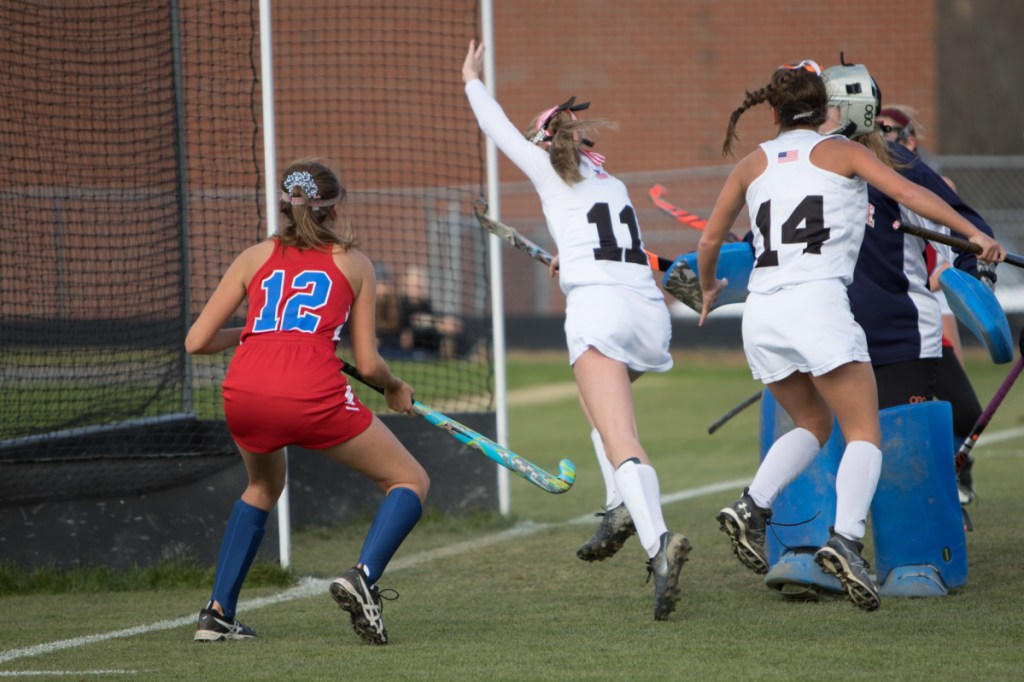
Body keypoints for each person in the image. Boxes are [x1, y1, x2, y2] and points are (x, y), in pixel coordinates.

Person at [696, 59, 1003, 611]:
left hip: (762, 316)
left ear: (774, 110)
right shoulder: (843, 151)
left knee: (813, 422)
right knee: (862, 431)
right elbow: (912, 196)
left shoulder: (752, 163)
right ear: (829, 111)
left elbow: (710, 241)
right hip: (820, 309)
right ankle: (844, 540)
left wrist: (708, 289)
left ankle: (752, 504)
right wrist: (973, 235)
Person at [461, 40, 690, 621]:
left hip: (598, 311)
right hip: (649, 312)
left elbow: (496, 127)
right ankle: (617, 505)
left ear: (546, 143)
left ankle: (657, 543)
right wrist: (570, 255)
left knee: (621, 437)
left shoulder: (544, 166)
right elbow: (608, 245)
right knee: (601, 411)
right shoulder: (613, 186)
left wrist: (471, 81)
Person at [185, 158, 430, 645]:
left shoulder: (254, 257)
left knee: (261, 486)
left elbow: (196, 341)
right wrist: (394, 388)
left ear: (285, 206)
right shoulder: (354, 263)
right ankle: (363, 576)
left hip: (245, 392)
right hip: (309, 393)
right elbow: (368, 360)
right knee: (408, 479)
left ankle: (217, 614)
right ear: (336, 210)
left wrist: (257, 334)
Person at [874, 104, 990, 505]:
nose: (882, 135)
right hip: (893, 304)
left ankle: (956, 472)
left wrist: (959, 274)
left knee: (963, 407)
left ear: (909, 141)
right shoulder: (866, 177)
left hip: (928, 299)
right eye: (878, 128)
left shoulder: (932, 185)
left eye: (890, 130)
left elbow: (950, 248)